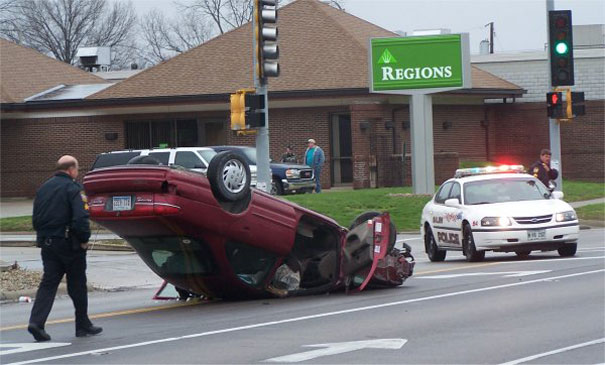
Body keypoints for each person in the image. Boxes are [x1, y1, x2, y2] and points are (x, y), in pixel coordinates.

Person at [28, 155, 102, 342]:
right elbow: (80, 217)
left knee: (49, 283)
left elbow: (36, 219)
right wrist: (84, 238)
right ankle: (82, 325)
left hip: (47, 243)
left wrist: (43, 237)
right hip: (69, 244)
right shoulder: (73, 188)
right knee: (77, 283)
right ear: (71, 170)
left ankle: (36, 323)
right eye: (77, 170)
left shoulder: (43, 188)